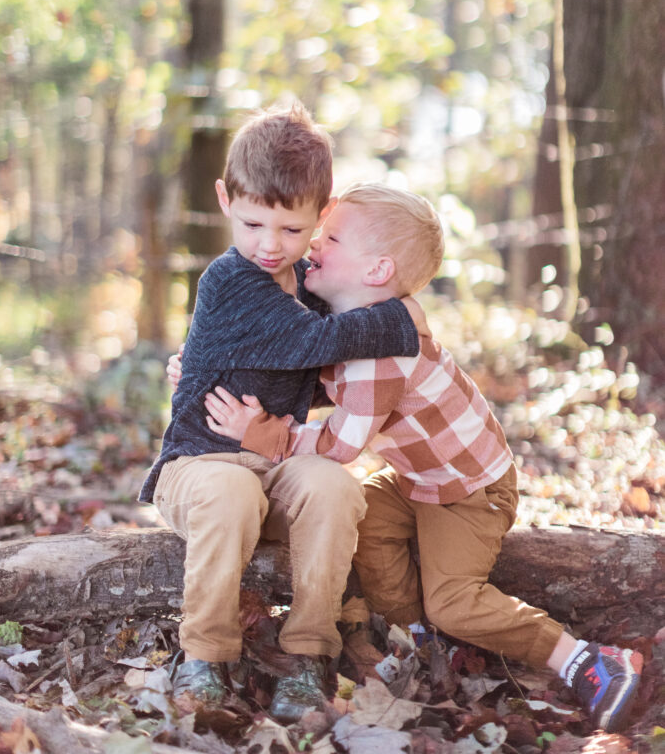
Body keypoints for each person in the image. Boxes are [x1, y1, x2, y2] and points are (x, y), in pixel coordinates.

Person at [204, 182, 644, 734]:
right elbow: (295, 366)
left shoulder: (380, 355)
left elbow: (339, 446)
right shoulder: (353, 322)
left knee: (455, 600)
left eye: (332, 236)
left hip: (469, 491)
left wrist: (264, 434)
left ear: (378, 270)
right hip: (417, 479)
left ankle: (585, 660)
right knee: (363, 521)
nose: (315, 240)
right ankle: (419, 639)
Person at [140, 106, 427, 723]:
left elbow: (317, 377)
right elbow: (310, 346)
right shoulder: (230, 280)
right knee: (229, 491)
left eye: (291, 230)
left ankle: (307, 654)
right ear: (224, 200)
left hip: (276, 463)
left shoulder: (308, 282)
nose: (270, 245)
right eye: (252, 223)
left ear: (320, 217)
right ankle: (205, 656)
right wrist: (404, 318)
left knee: (333, 486)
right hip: (201, 464)